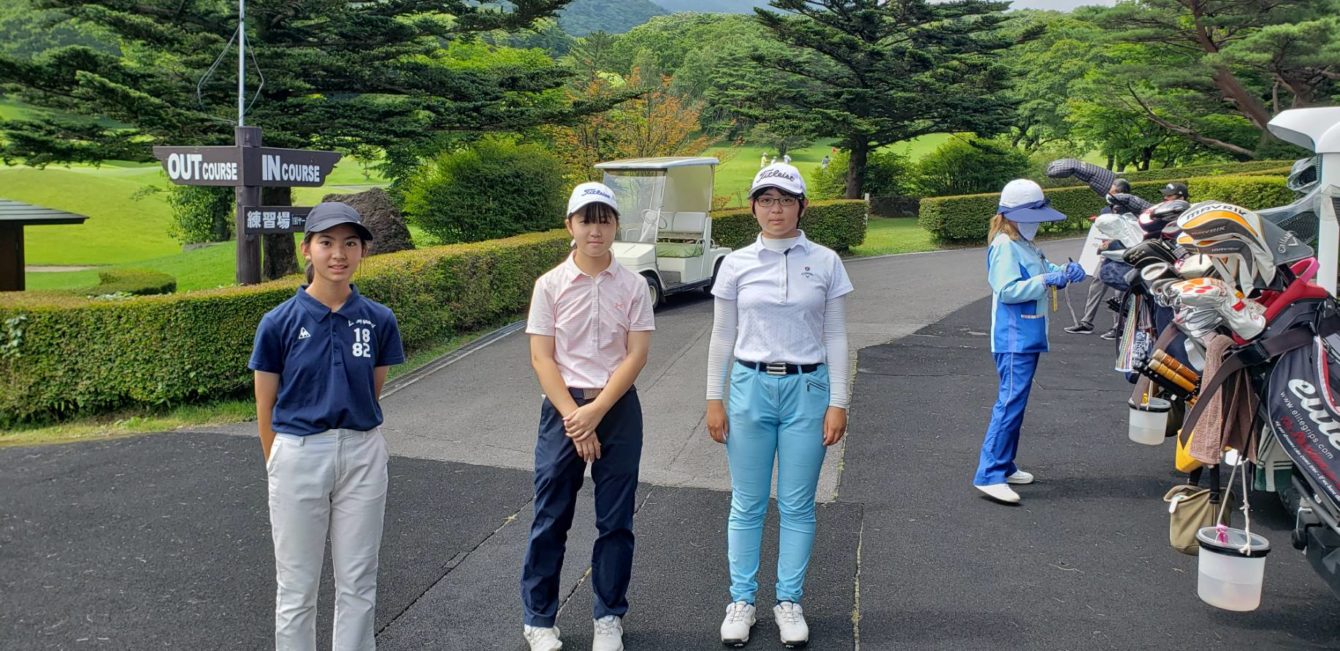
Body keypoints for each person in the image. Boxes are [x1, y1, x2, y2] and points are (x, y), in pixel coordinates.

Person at [705, 163, 853, 647]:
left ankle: (788, 601)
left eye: (786, 200)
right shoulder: (736, 263)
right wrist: (713, 397)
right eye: (766, 200)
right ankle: (742, 601)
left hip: (807, 389)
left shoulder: (826, 261)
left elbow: (835, 335)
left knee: (797, 504)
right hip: (749, 386)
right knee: (747, 502)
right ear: (753, 207)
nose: (776, 209)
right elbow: (722, 335)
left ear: (801, 206)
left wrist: (839, 400)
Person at [248, 202, 405, 650]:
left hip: (361, 451)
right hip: (299, 453)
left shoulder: (378, 319)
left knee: (358, 580)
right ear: (307, 250)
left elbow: (371, 390)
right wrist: (278, 462)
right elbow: (265, 405)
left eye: (350, 243)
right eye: (327, 243)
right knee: (297, 587)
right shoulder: (278, 322)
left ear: (363, 252)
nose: (339, 254)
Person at [520, 182, 655, 651]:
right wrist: (575, 417)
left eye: (604, 220)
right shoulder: (550, 285)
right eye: (585, 220)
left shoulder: (633, 286)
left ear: (616, 225)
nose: (595, 230)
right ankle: (539, 618)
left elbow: (636, 355)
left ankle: (608, 616)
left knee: (615, 520)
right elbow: (542, 358)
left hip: (616, 408)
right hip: (563, 410)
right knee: (550, 515)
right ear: (570, 226)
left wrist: (595, 412)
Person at [975, 180, 1084, 504]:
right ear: (1013, 215)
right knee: (1009, 404)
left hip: (1027, 335)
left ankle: (1004, 465)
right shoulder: (1005, 246)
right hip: (1013, 338)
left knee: (1015, 404)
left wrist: (1064, 271)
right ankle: (989, 474)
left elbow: (1045, 269)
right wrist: (1046, 279)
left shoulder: (1023, 243)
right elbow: (1007, 290)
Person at [1065, 179, 1129, 338]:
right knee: (1096, 286)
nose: (1109, 194)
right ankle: (1086, 322)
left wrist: (1111, 243)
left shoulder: (1130, 211)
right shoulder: (1105, 210)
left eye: (1112, 191)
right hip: (1107, 254)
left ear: (1121, 193)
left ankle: (1119, 326)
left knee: (1119, 292)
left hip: (1123, 256)